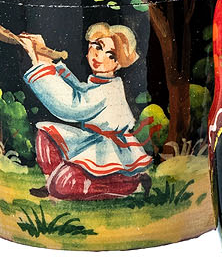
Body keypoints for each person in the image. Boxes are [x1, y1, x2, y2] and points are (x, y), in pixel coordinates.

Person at [16, 22, 152, 200]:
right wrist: (45, 59)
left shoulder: (108, 90)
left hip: (108, 150)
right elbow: (80, 90)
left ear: (119, 64)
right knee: (46, 133)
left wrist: (39, 62)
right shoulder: (98, 83)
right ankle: (51, 183)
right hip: (91, 140)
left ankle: (130, 184)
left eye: (110, 55)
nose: (99, 55)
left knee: (63, 186)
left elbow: (72, 105)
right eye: (97, 46)